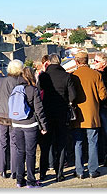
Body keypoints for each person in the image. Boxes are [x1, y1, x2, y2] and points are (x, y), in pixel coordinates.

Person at [38, 53, 76, 182]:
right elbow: (73, 96)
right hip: (61, 114)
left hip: (47, 113)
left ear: (49, 62)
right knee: (61, 144)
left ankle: (43, 173)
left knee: (45, 145)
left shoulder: (44, 76)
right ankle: (59, 174)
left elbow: (39, 93)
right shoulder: (66, 76)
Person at [70, 51, 107, 179]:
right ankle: (92, 170)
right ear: (87, 61)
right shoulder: (96, 75)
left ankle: (79, 171)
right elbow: (103, 95)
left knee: (78, 143)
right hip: (92, 115)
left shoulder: (72, 75)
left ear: (76, 62)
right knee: (93, 143)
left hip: (77, 116)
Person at [13, 67, 48, 188]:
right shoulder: (33, 90)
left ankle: (19, 180)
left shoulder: (15, 89)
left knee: (20, 152)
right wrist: (43, 126)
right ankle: (31, 181)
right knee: (30, 153)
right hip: (30, 124)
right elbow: (39, 110)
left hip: (16, 124)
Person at [0, 59, 24, 179]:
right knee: (14, 143)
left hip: (1, 115)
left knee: (2, 142)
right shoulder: (20, 82)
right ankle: (14, 171)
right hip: (15, 116)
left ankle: (2, 170)